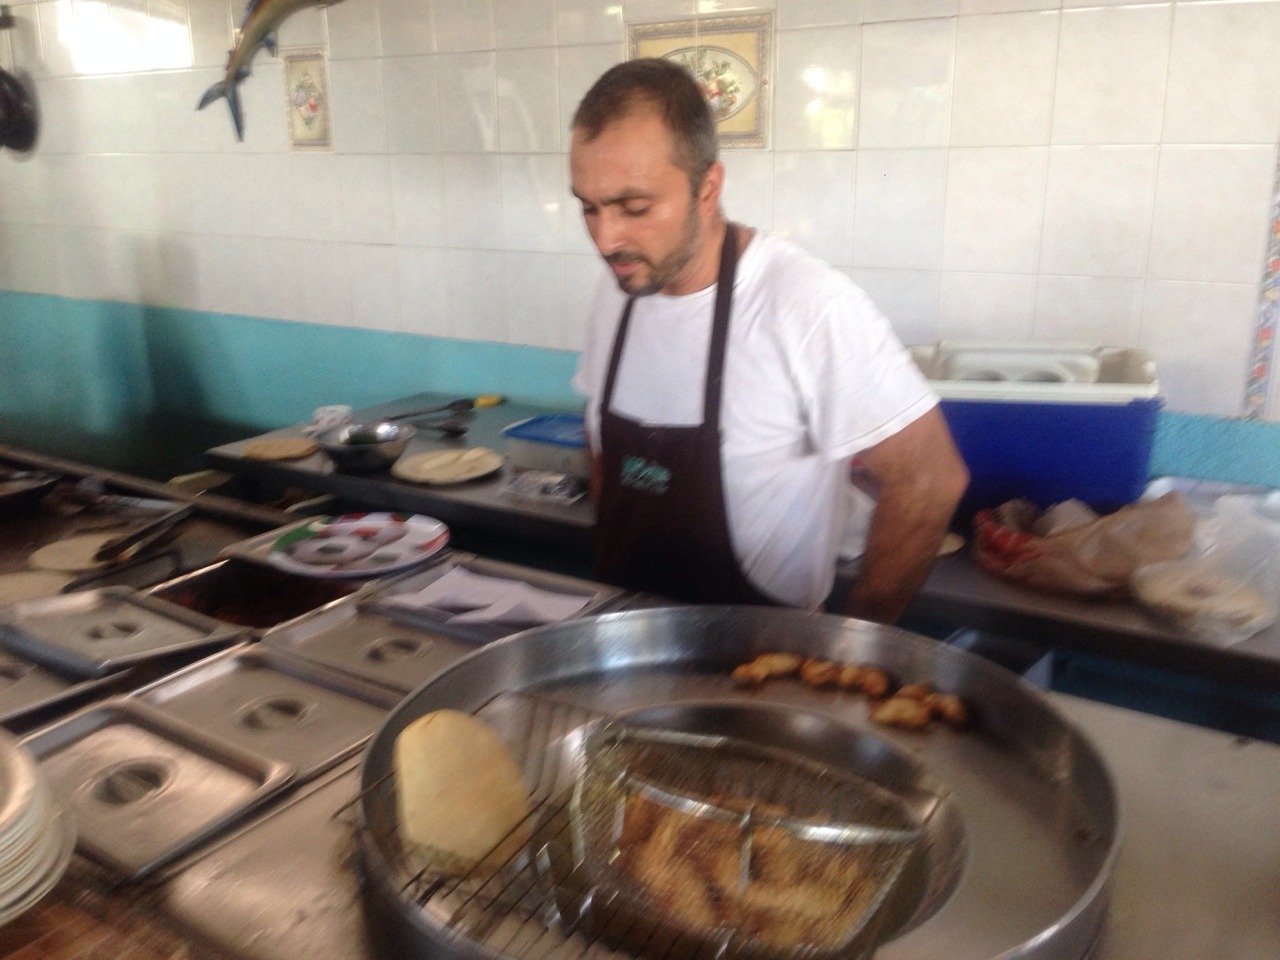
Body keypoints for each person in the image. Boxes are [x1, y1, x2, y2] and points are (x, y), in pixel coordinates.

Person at [569, 58, 969, 624]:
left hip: (762, 661)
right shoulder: (617, 291)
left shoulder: (804, 303)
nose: (606, 239)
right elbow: (602, 451)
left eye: (635, 208)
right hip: (622, 643)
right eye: (589, 207)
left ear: (707, 189)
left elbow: (930, 479)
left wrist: (853, 646)